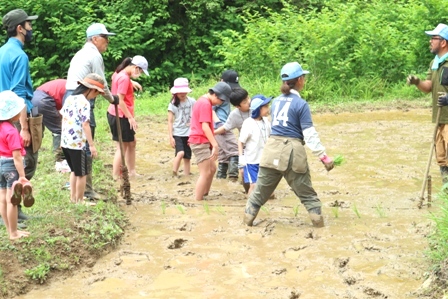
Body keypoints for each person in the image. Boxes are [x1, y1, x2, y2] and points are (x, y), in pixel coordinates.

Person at [243, 62, 334, 228]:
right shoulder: (301, 104)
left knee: (258, 195)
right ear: (299, 80)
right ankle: (320, 227)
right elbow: (309, 134)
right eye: (303, 77)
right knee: (307, 195)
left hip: (271, 150)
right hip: (293, 152)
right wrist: (324, 157)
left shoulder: (276, 102)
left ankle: (246, 224)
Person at [64, 23, 123, 200]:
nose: (108, 42)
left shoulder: (81, 53)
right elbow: (100, 83)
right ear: (95, 39)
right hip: (81, 95)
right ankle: (86, 191)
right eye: (105, 38)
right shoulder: (94, 55)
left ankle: (77, 189)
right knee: (84, 146)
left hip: (70, 95)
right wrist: (113, 99)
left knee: (73, 145)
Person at [0, 9, 40, 224]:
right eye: (28, 25)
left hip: (1, 116)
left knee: (4, 161)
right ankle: (14, 211)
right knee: (26, 162)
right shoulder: (19, 56)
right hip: (15, 116)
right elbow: (19, 94)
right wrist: (24, 127)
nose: (31, 29)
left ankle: (8, 209)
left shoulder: (2, 52)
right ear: (19, 28)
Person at [407, 24, 448, 183]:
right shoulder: (435, 63)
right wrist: (417, 81)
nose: (430, 41)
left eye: (434, 38)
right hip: (439, 119)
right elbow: (428, 87)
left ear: (443, 42)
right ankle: (446, 193)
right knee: (442, 158)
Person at [60, 74, 105, 205]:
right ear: (91, 89)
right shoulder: (84, 102)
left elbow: (63, 117)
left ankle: (73, 198)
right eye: (97, 93)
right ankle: (79, 201)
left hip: (66, 142)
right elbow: (86, 124)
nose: (95, 96)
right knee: (82, 174)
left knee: (74, 171)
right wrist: (91, 145)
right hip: (77, 143)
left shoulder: (69, 98)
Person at [107, 55, 149, 179]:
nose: (140, 74)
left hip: (115, 113)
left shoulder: (119, 72)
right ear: (135, 67)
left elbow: (113, 77)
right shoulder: (124, 78)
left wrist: (132, 81)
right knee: (122, 147)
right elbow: (120, 100)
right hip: (121, 116)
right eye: (140, 71)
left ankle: (132, 171)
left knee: (131, 143)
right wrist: (130, 117)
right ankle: (115, 176)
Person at [189, 82, 232, 200]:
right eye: (221, 101)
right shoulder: (205, 104)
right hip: (199, 141)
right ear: (217, 96)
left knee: (212, 169)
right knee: (205, 172)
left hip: (202, 140)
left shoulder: (203, 101)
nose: (220, 103)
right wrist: (215, 145)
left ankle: (204, 194)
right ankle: (197, 200)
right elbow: (205, 126)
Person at [0, 91, 33, 240]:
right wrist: (22, 176)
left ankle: (9, 230)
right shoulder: (11, 131)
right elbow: (17, 156)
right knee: (12, 200)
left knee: (2, 200)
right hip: (10, 166)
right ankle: (14, 233)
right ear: (13, 114)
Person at [214, 87, 251, 192]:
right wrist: (212, 133)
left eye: (248, 98)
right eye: (245, 102)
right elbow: (225, 127)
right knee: (244, 172)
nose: (249, 102)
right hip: (246, 147)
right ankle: (248, 192)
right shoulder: (234, 115)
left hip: (260, 144)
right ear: (237, 106)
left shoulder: (256, 108)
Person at [238, 95, 272, 195]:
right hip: (251, 161)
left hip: (264, 159)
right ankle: (250, 208)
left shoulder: (266, 121)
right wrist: (241, 157)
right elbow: (240, 141)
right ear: (258, 109)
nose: (268, 109)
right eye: (265, 107)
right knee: (254, 185)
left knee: (267, 186)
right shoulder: (248, 123)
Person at [214, 70, 241, 181]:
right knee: (235, 151)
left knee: (223, 155)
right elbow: (211, 111)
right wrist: (219, 124)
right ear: (221, 81)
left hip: (222, 126)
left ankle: (221, 179)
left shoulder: (226, 94)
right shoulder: (218, 95)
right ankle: (233, 178)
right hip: (221, 126)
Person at [31, 79, 67, 161]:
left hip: (33, 99)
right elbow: (67, 112)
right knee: (59, 130)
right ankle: (59, 156)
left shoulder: (63, 84)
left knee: (36, 128)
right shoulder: (71, 89)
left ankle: (31, 154)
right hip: (44, 101)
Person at [167, 78, 196, 176]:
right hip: (178, 133)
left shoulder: (192, 101)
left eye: (184, 91)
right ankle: (174, 172)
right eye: (179, 92)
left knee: (187, 156)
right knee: (180, 153)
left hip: (189, 133)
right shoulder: (172, 104)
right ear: (175, 93)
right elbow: (170, 121)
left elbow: (197, 115)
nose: (182, 94)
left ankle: (186, 175)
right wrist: (171, 137)